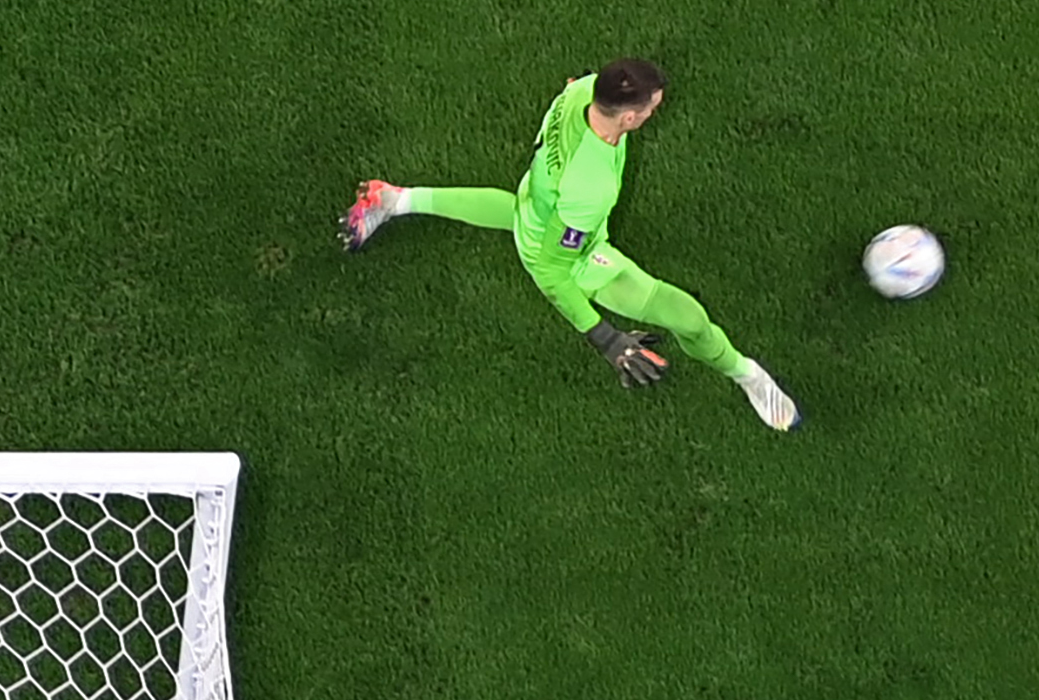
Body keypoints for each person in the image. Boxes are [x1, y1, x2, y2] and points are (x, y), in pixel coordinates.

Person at [341, 58, 803, 432]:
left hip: (537, 198)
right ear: (628, 117)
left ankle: (395, 200)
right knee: (690, 319)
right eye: (651, 109)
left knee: (519, 214)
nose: (652, 114)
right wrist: (605, 337)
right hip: (567, 244)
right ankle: (748, 375)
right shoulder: (590, 187)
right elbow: (552, 270)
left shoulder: (582, 90)